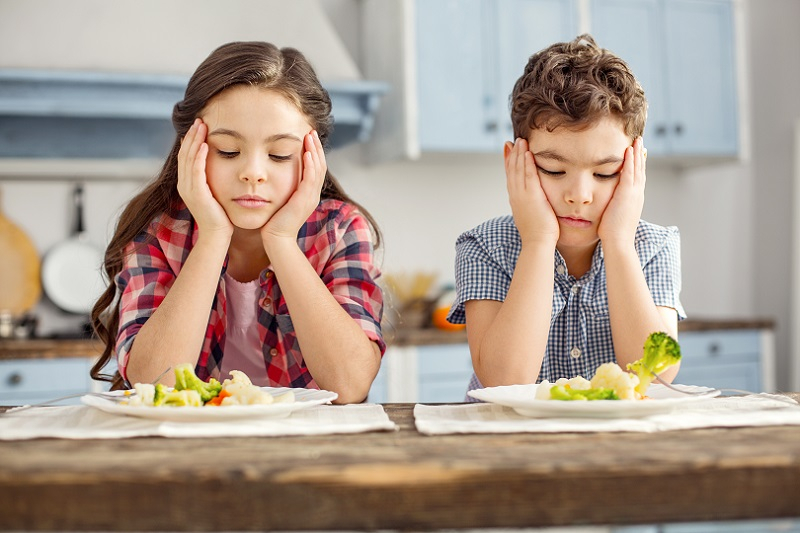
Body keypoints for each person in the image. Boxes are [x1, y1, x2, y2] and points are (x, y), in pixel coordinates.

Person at [90, 42, 384, 404]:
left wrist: (281, 240)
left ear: (313, 158)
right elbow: (153, 384)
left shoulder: (339, 230)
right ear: (189, 148)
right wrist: (212, 236)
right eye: (228, 151)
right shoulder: (158, 231)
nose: (253, 174)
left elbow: (350, 385)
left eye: (279, 155)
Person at [448, 34, 685, 400]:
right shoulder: (484, 247)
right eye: (553, 170)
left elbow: (657, 378)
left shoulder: (654, 246)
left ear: (635, 168)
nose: (579, 195)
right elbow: (504, 381)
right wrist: (539, 242)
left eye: (605, 173)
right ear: (515, 161)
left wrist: (620, 244)